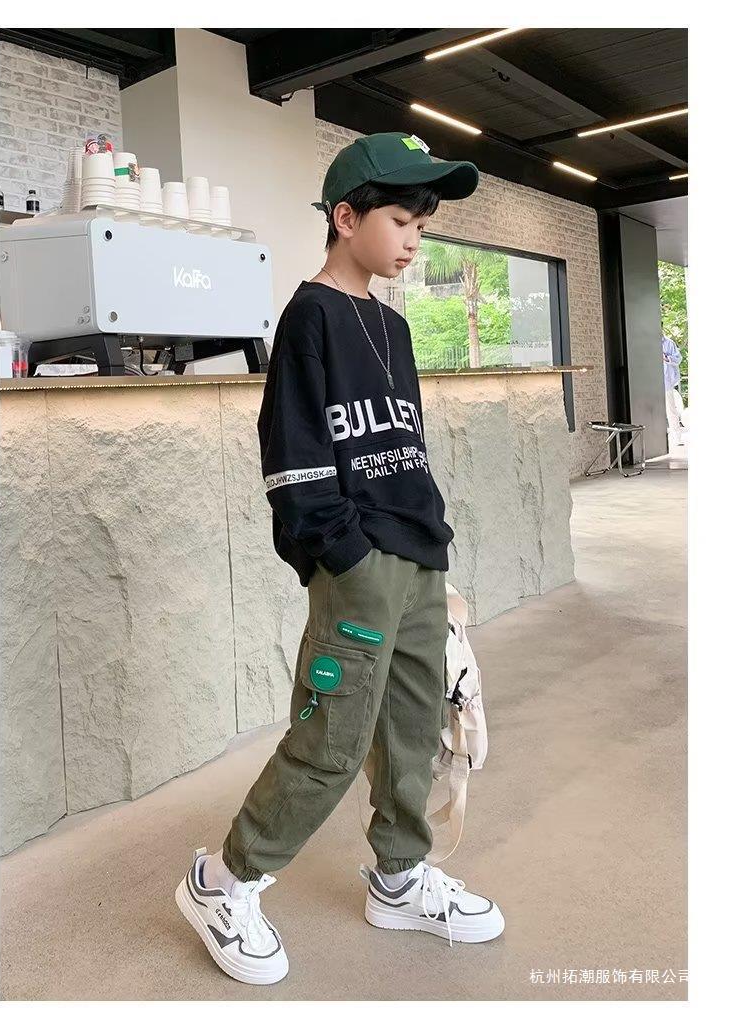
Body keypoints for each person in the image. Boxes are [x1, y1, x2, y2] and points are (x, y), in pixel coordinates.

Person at [175, 132, 505, 985]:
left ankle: (399, 877)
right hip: (359, 564)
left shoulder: (393, 324)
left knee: (412, 730)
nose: (413, 241)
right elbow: (293, 456)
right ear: (347, 218)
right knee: (332, 737)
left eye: (423, 227)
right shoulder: (310, 316)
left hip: (419, 561)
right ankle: (224, 881)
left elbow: (405, 449)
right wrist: (345, 555)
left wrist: (436, 564)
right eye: (400, 221)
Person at [662, 332, 685, 447]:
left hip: (666, 382)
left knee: (671, 410)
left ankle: (677, 438)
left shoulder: (669, 343)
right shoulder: (646, 341)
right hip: (650, 381)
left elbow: (678, 359)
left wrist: (666, 358)